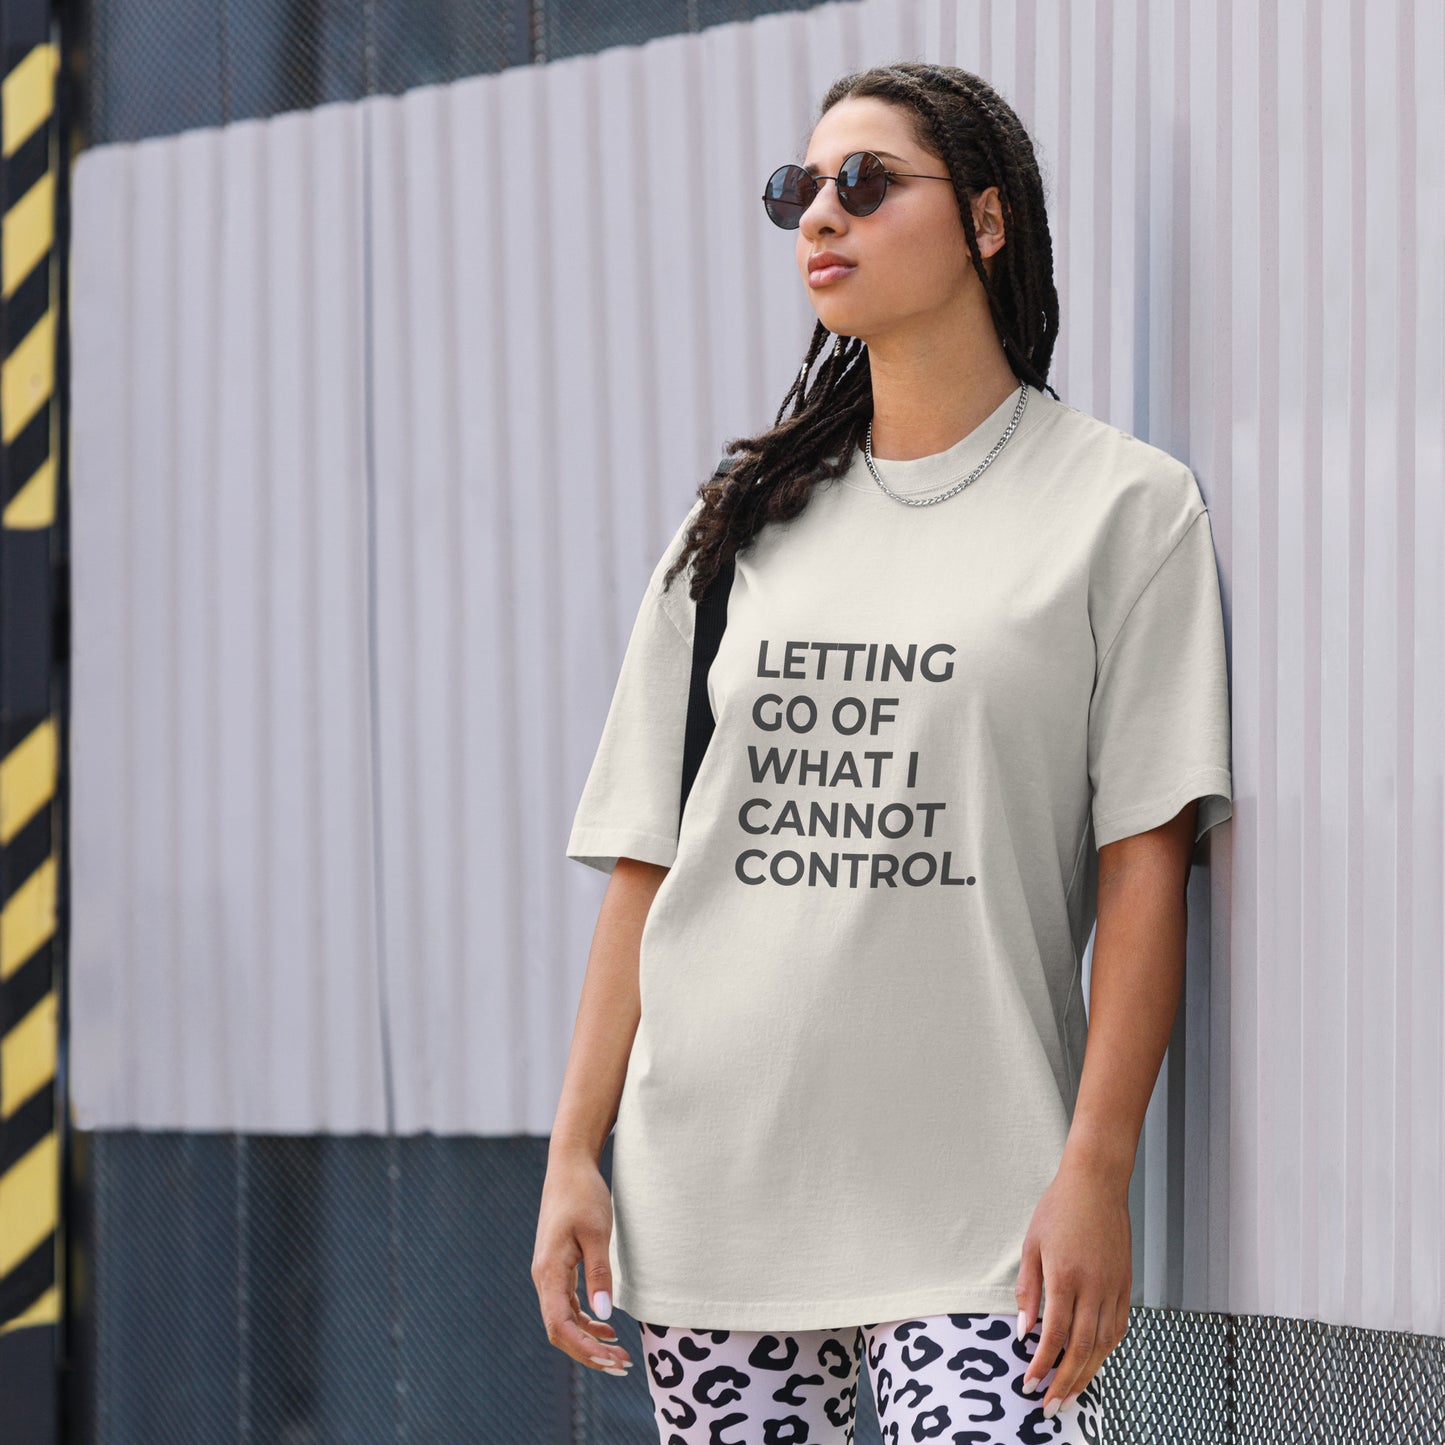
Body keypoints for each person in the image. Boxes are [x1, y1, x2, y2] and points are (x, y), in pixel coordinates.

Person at [533, 60, 1232, 1444]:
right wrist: (571, 1152)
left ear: (985, 220)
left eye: (863, 183)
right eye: (798, 190)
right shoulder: (734, 530)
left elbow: (1146, 871)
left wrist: (1096, 1166)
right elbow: (645, 866)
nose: (819, 217)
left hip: (983, 1209)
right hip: (718, 1198)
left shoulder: (1119, 509)